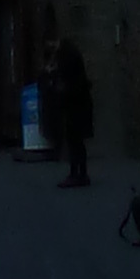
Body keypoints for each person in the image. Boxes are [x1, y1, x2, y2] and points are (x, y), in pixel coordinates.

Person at [52, 34, 95, 188]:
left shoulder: (69, 65)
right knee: (76, 142)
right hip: (78, 106)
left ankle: (77, 174)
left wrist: (61, 93)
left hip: (75, 108)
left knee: (75, 141)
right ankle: (79, 173)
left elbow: (71, 87)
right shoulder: (73, 63)